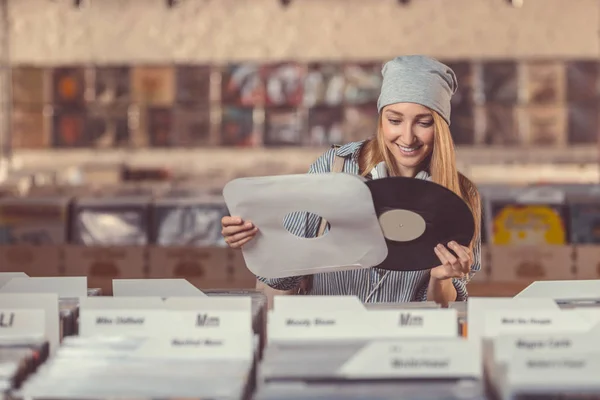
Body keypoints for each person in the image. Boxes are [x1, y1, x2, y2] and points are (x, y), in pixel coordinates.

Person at [221, 55, 482, 307]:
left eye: (424, 123)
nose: (407, 136)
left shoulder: (461, 196)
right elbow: (282, 277)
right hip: (326, 334)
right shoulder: (334, 167)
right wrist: (257, 241)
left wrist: (441, 278)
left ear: (442, 127)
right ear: (381, 120)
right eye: (394, 120)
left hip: (401, 341)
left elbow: (442, 312)